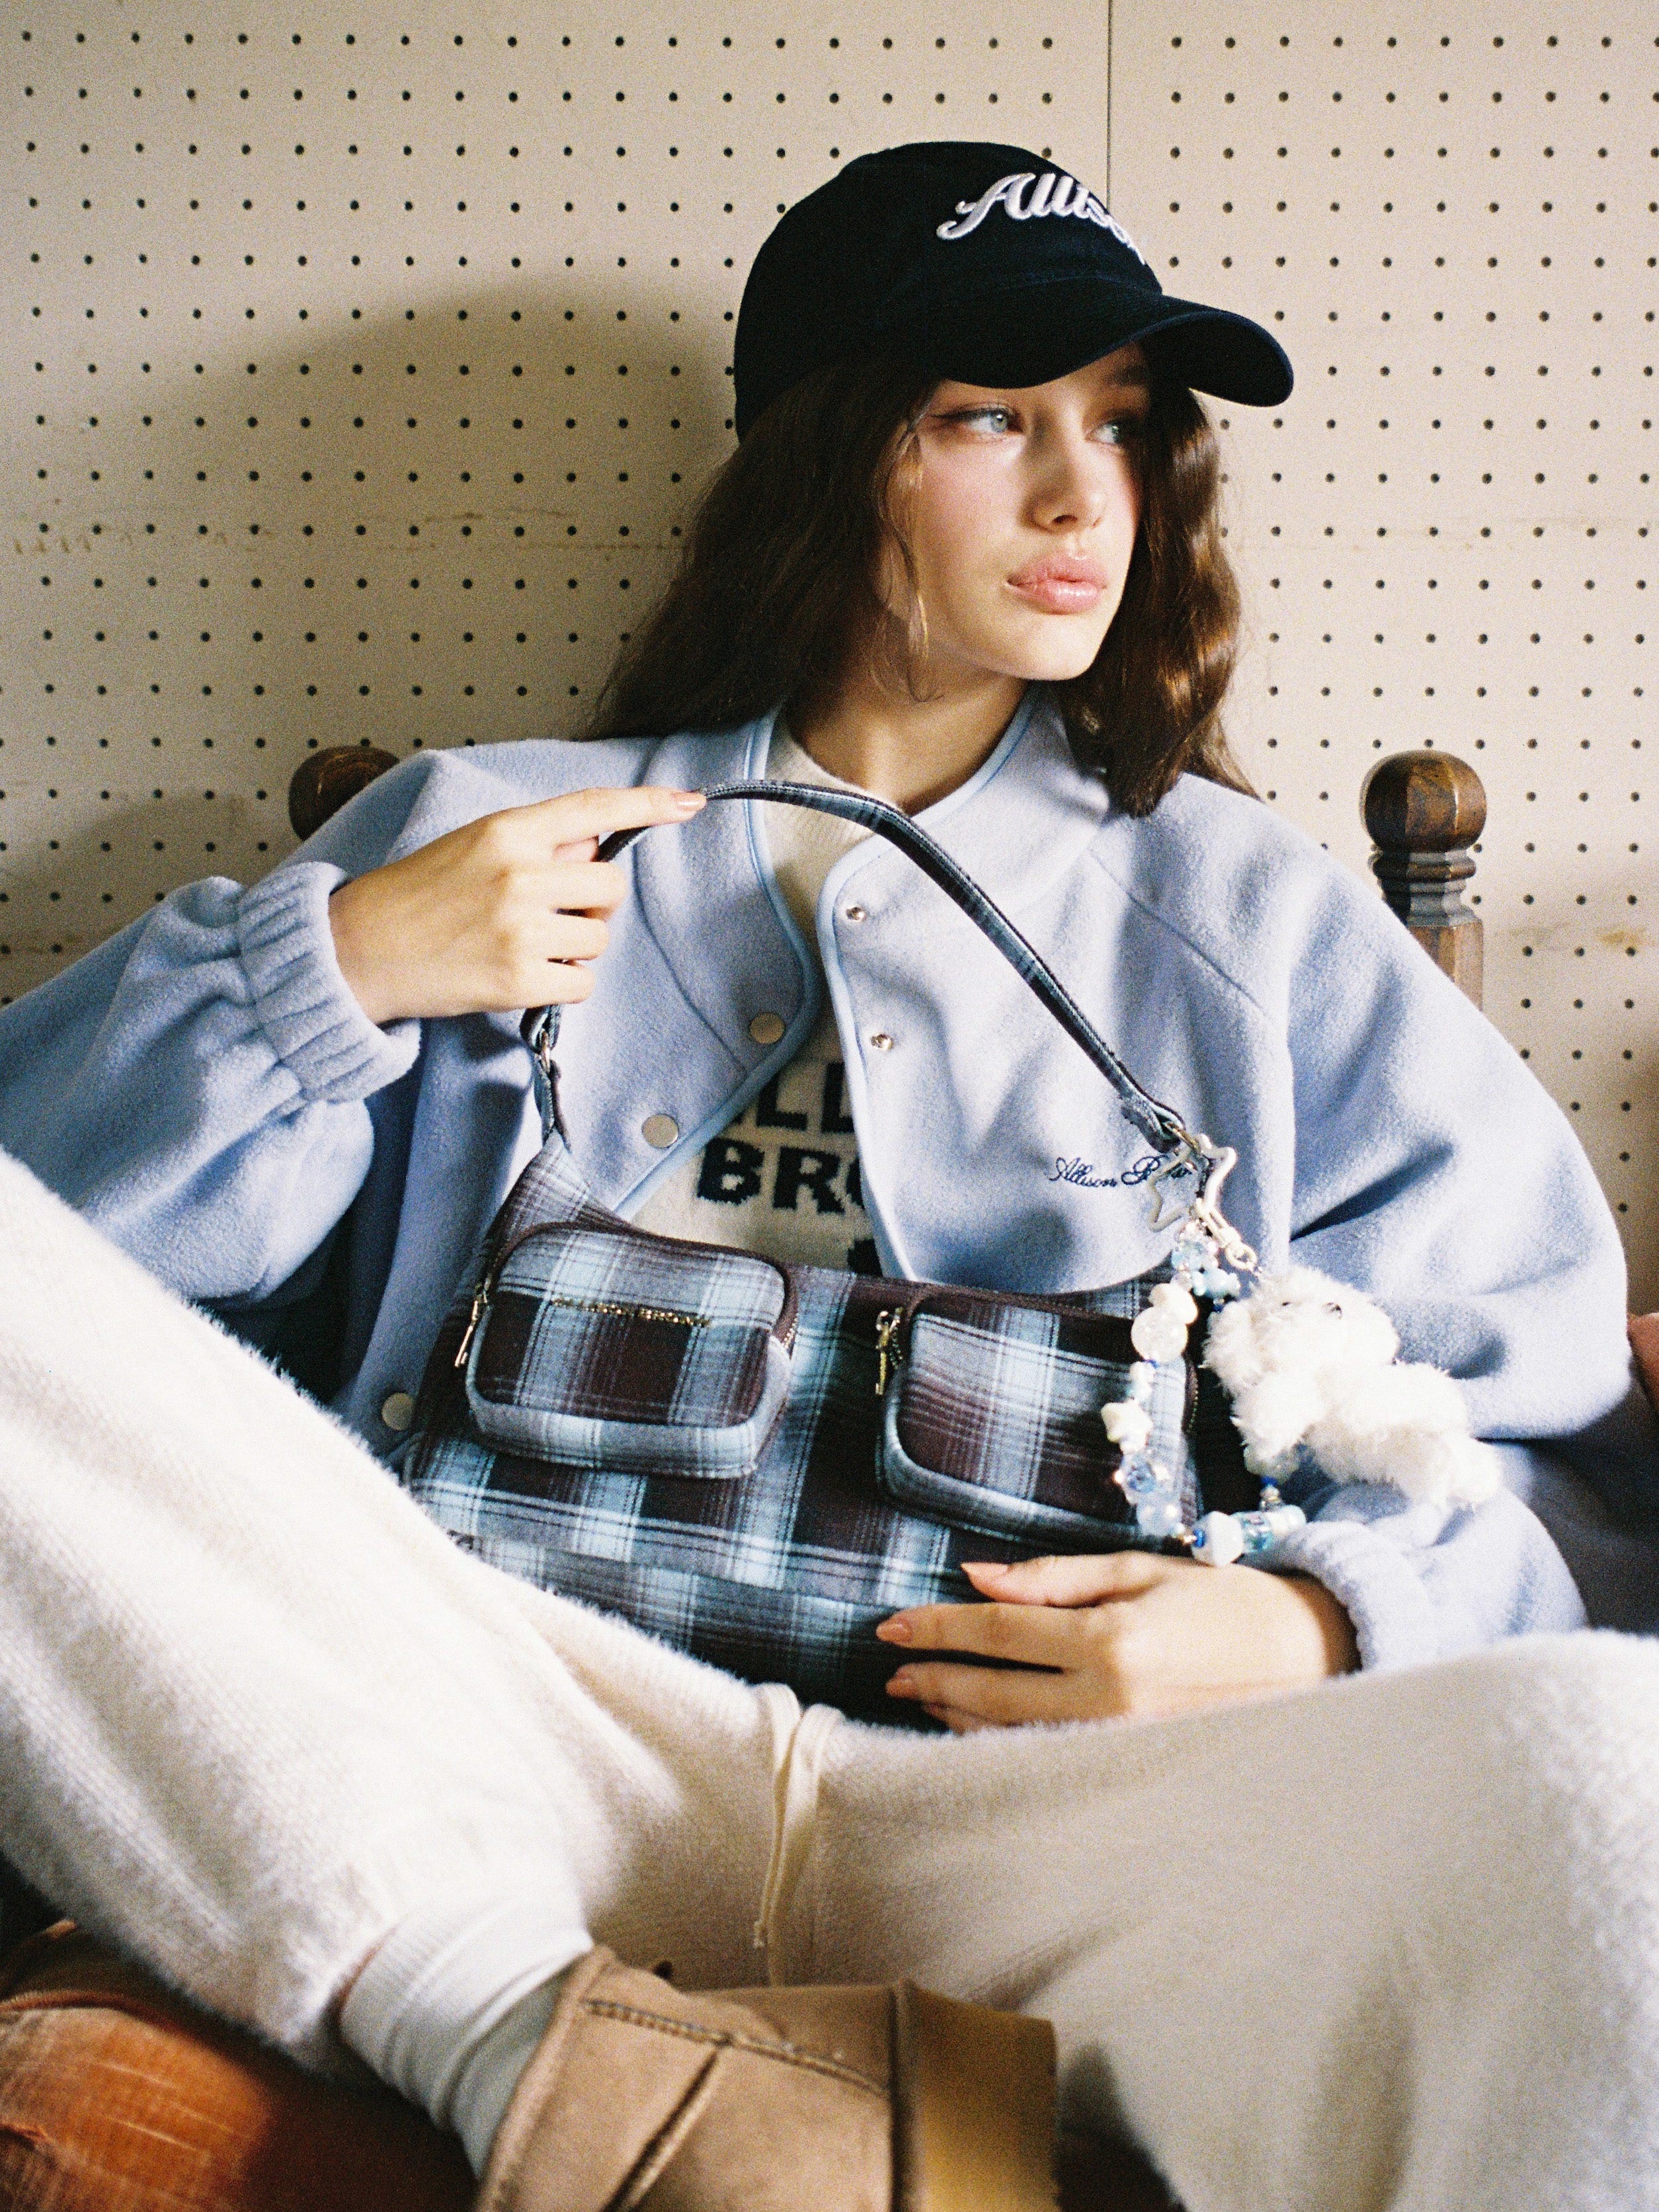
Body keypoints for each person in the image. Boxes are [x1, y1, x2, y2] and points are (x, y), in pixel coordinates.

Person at [0, 141, 1654, 2207]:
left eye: (1122, 427)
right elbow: (64, 1287)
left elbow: (1575, 1479)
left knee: (1609, 1781)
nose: (1084, 500)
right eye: (990, 418)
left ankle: (539, 2042)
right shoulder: (480, 831)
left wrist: (1322, 1622)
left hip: (1064, 1823)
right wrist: (330, 971)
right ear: (828, 453)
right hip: (500, 1755)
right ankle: (499, 2014)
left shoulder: (1263, 928)